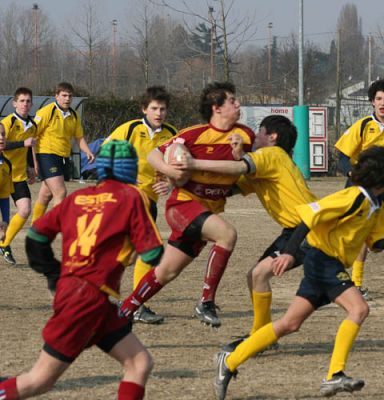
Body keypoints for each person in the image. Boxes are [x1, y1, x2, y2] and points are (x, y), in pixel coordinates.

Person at [212, 146, 384, 400]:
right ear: (382, 174)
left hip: (330, 264)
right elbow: (309, 217)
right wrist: (289, 252)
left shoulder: (376, 204)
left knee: (289, 324)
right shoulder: (353, 197)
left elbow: (373, 243)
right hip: (322, 261)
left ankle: (229, 362)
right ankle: (334, 374)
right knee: (359, 309)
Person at [0, 141, 164, 400]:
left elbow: (36, 237)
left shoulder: (78, 197)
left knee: (139, 363)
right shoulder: (132, 196)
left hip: (88, 296)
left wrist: (56, 275)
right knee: (39, 381)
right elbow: (153, 254)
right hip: (87, 299)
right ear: (131, 168)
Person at [118, 81, 254, 329]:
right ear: (217, 108)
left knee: (166, 272)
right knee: (227, 235)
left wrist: (241, 157)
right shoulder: (193, 135)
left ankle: (125, 310)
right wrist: (172, 172)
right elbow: (153, 155)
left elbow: (256, 169)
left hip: (207, 212)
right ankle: (206, 301)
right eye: (232, 101)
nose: (238, 104)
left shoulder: (245, 136)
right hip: (183, 206)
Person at [176, 115, 317, 349]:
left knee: (260, 275)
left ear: (272, 137)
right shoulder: (268, 165)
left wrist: (192, 164)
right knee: (255, 276)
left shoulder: (271, 155)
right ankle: (263, 335)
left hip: (309, 228)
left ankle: (261, 337)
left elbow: (238, 167)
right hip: (295, 229)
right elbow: (226, 188)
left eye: (259, 131)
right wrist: (178, 180)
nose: (254, 136)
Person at [334, 78, 384, 299]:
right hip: (359, 189)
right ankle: (355, 284)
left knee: (377, 243)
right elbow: (342, 157)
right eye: (378, 98)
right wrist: (351, 173)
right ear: (372, 102)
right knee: (358, 235)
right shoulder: (362, 126)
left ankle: (347, 276)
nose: (383, 103)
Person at [105, 86, 177, 324]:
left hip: (150, 199)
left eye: (163, 109)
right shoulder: (131, 129)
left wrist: (169, 183)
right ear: (144, 109)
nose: (159, 113)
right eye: (154, 108)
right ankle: (136, 305)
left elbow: (179, 170)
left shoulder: (172, 134)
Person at [31, 82, 95, 223]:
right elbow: (32, 137)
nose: (67, 99)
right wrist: (33, 161)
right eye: (64, 95)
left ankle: (35, 226)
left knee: (46, 195)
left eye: (70, 96)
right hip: (46, 155)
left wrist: (88, 151)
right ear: (56, 96)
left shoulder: (74, 115)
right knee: (60, 192)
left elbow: (79, 138)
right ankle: (55, 227)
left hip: (63, 157)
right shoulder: (46, 112)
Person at [0, 87, 38, 265]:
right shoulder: (7, 122)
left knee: (25, 210)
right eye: (22, 101)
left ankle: (4, 244)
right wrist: (23, 143)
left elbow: (29, 148)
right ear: (14, 103)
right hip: (3, 174)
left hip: (19, 176)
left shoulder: (33, 125)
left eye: (28, 101)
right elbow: (2, 145)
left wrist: (31, 166)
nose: (25, 104)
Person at [0, 125, 14, 244]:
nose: (1, 138)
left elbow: (4, 196)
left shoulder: (6, 165)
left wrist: (5, 222)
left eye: (3, 134)